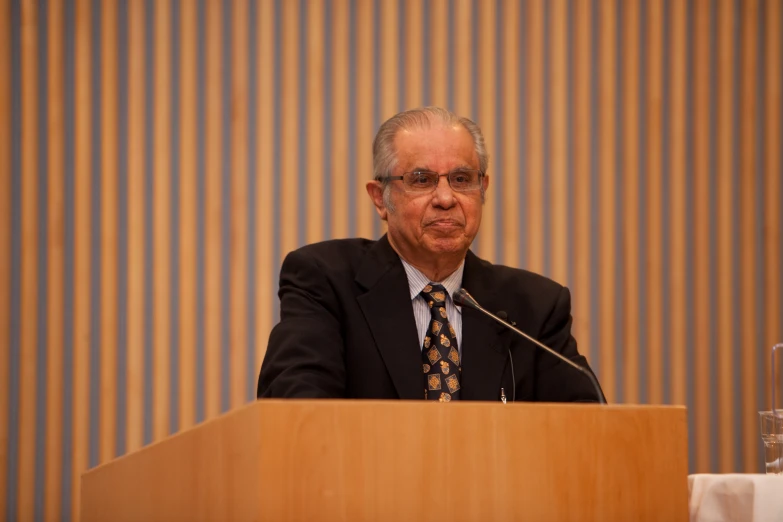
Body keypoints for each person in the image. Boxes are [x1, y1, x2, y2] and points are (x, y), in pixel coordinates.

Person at [257, 106, 604, 402]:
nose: (445, 198)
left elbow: (586, 431)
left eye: (462, 179)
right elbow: (297, 409)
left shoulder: (534, 307)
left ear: (482, 190)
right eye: (422, 180)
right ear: (380, 198)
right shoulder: (325, 281)